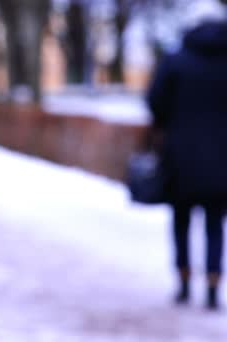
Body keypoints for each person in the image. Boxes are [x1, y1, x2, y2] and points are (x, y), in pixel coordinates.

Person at [146, 7, 227, 310]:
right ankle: (213, 285)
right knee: (215, 223)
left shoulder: (176, 60)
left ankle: (182, 281)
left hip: (180, 154)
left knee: (181, 221)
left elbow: (155, 103)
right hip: (223, 157)